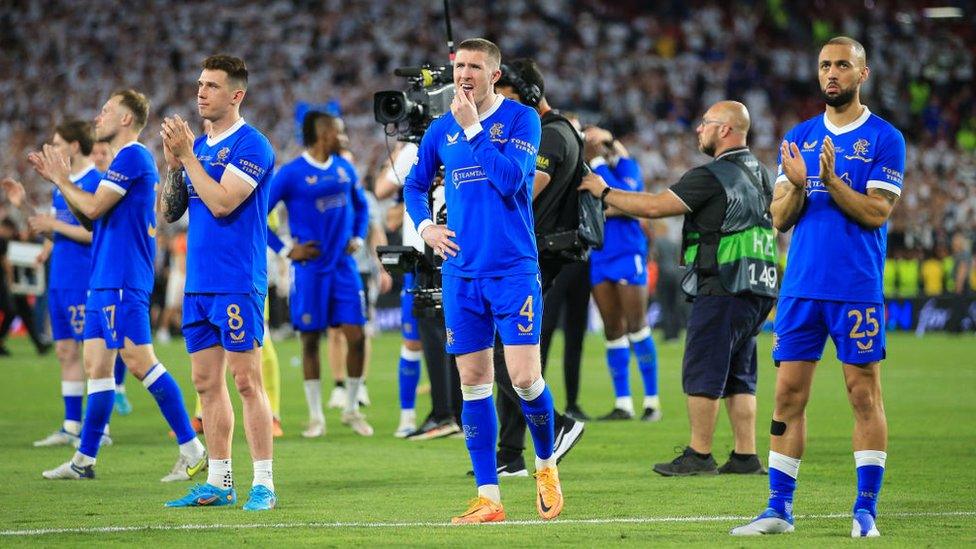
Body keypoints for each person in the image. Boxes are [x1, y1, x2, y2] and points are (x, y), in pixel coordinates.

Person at [732, 37, 906, 537]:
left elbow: (877, 213)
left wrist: (830, 182)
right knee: (787, 396)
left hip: (855, 287)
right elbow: (779, 218)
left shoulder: (884, 138)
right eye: (825, 65)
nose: (832, 73)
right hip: (801, 288)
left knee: (863, 394)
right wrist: (799, 183)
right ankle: (778, 510)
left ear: (862, 74)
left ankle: (865, 509)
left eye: (843, 66)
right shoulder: (801, 135)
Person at [404, 38, 563, 523]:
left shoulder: (522, 120)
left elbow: (512, 180)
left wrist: (474, 129)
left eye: (474, 66)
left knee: (523, 378)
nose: (464, 74)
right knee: (473, 384)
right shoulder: (439, 129)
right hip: (461, 273)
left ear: (494, 75)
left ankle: (545, 463)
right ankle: (488, 496)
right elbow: (414, 184)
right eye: (459, 66)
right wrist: (426, 227)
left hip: (513, 269)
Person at [579, 100, 777, 479]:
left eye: (706, 123)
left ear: (725, 130)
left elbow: (654, 207)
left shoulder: (713, 175)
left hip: (723, 282)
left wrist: (604, 191)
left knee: (703, 366)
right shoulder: (763, 174)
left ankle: (699, 454)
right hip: (760, 284)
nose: (699, 129)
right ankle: (745, 455)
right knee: (741, 373)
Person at [34, 89, 206, 483]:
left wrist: (61, 178)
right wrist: (60, 182)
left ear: (126, 119)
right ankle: (83, 461)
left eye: (107, 110)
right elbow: (93, 219)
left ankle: (192, 449)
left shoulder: (133, 156)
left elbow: (92, 208)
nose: (99, 116)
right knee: (97, 367)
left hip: (123, 278)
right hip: (103, 278)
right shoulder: (118, 163)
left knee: (138, 360)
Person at [160, 55, 277, 510]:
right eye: (199, 84)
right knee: (206, 383)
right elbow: (170, 212)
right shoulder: (200, 149)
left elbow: (224, 202)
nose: (201, 92)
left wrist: (188, 157)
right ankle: (219, 481)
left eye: (211, 85)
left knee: (247, 381)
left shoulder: (253, 144)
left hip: (236, 281)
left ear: (236, 95)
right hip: (198, 284)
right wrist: (174, 164)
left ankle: (264, 482)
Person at [483, 58, 585, 477]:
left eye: (503, 93)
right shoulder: (563, 131)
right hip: (543, 254)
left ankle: (559, 423)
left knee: (502, 354)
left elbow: (522, 191)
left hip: (536, 255)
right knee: (509, 347)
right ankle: (510, 454)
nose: (498, 105)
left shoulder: (549, 135)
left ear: (525, 94)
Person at [265, 111, 372, 438]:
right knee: (310, 340)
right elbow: (258, 214)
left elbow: (363, 206)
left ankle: (351, 408)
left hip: (343, 267)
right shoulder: (292, 173)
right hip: (309, 270)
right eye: (339, 132)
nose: (344, 137)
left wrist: (357, 236)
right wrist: (286, 249)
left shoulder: (344, 168)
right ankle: (315, 417)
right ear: (322, 133)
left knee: (357, 336)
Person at [2, 120, 104, 447]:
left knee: (92, 356)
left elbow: (95, 233)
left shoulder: (95, 182)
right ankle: (72, 426)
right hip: (59, 278)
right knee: (64, 351)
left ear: (75, 146)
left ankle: (97, 431)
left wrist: (53, 225)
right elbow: (52, 229)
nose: (53, 148)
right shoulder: (63, 185)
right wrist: (24, 207)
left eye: (58, 143)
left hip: (83, 278)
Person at [375, 146, 463, 440]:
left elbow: (381, 190)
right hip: (454, 248)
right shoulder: (458, 138)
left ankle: (443, 414)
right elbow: (389, 213)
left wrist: (403, 153)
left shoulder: (416, 147)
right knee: (452, 334)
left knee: (432, 334)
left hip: (428, 252)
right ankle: (456, 416)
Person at [582, 126, 661, 422]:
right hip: (600, 255)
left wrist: (601, 164)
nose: (593, 148)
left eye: (597, 143)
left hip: (628, 253)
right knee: (613, 330)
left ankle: (652, 401)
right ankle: (623, 403)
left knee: (637, 327)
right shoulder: (586, 172)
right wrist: (613, 206)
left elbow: (625, 200)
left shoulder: (626, 167)